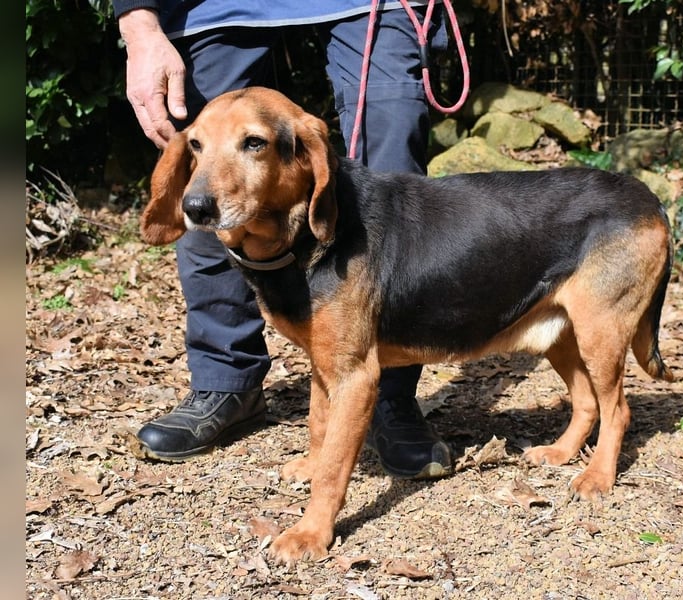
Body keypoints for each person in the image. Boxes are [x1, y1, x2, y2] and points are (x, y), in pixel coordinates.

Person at [112, 0, 455, 479]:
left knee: (394, 149)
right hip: (212, 8)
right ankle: (225, 382)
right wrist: (139, 24)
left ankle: (389, 395)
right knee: (214, 172)